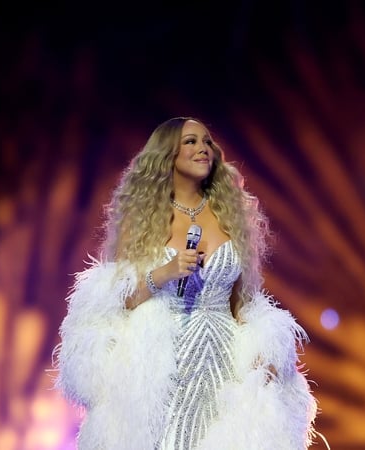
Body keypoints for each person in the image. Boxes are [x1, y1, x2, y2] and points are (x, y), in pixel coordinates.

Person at [52, 117, 318, 450]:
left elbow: (242, 303)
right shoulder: (142, 217)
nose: (202, 148)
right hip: (165, 364)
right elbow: (116, 301)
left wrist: (263, 352)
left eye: (207, 141)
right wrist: (163, 273)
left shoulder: (229, 215)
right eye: (191, 141)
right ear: (168, 153)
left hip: (223, 365)